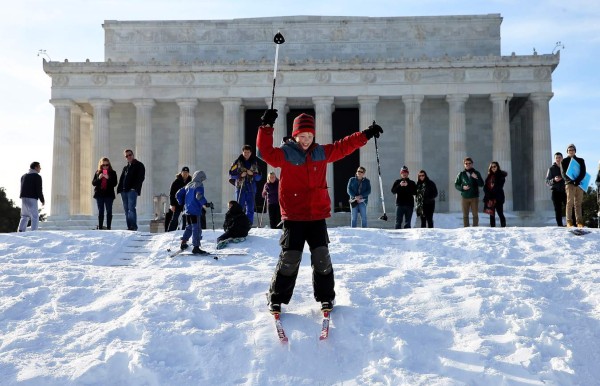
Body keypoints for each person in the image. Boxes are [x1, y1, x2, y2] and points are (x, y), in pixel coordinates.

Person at [257, 109, 383, 314]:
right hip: (294, 215)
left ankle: (326, 297)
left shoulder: (320, 152)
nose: (306, 140)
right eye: (302, 136)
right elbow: (264, 152)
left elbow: (344, 146)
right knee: (290, 258)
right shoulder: (285, 153)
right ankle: (276, 298)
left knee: (321, 257)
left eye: (310, 136)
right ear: (295, 135)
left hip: (316, 215)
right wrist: (266, 127)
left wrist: (365, 135)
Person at [176, 170, 213, 254]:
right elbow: (199, 196)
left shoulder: (188, 185)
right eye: (202, 178)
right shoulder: (199, 185)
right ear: (200, 178)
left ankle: (183, 242)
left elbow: (178, 194)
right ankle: (196, 247)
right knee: (197, 228)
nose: (203, 180)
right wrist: (206, 204)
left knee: (189, 227)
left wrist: (181, 202)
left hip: (187, 210)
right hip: (195, 211)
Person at [229, 144, 262, 225]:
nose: (246, 154)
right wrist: (240, 175)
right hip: (240, 188)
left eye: (248, 152)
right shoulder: (237, 162)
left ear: (250, 153)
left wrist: (253, 174)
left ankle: (248, 225)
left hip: (251, 188)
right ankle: (238, 224)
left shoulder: (255, 163)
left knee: (250, 208)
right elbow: (230, 175)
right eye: (245, 152)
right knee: (239, 207)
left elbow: (259, 177)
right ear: (242, 152)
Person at [117, 149, 145, 231]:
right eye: (127, 156)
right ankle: (129, 226)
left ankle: (133, 226)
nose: (128, 157)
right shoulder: (126, 168)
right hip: (124, 191)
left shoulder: (139, 165)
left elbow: (141, 178)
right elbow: (122, 179)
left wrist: (135, 188)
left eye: (130, 155)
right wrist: (119, 189)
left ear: (133, 155)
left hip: (132, 191)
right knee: (126, 209)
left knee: (131, 208)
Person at [561, 144, 586, 227]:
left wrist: (577, 180)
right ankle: (569, 222)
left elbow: (583, 172)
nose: (571, 151)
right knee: (569, 203)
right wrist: (571, 181)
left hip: (579, 184)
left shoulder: (580, 160)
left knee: (578, 203)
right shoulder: (563, 161)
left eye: (572, 150)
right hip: (569, 184)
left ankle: (579, 222)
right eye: (569, 150)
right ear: (567, 152)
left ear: (575, 151)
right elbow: (563, 174)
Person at [454, 157, 484, 227]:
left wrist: (476, 177)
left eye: (469, 163)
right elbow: (456, 184)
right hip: (465, 197)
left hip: (474, 197)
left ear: (472, 164)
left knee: (475, 214)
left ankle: (475, 228)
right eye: (466, 163)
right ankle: (466, 228)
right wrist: (462, 187)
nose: (467, 165)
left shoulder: (476, 173)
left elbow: (481, 184)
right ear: (464, 164)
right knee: (465, 215)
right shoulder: (461, 174)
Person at [17, 161, 45, 232]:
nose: (40, 168)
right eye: (39, 167)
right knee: (35, 216)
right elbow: (39, 189)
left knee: (24, 215)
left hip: (23, 197)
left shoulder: (23, 176)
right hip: (32, 198)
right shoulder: (37, 176)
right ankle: (34, 232)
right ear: (35, 167)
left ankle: (21, 230)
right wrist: (42, 199)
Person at [92, 157, 118, 230]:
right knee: (101, 210)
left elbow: (115, 183)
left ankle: (109, 227)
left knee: (109, 210)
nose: (105, 166)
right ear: (101, 165)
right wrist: (99, 178)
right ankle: (100, 227)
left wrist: (108, 178)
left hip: (109, 195)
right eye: (103, 165)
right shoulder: (97, 172)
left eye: (107, 165)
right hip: (99, 194)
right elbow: (93, 183)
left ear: (109, 165)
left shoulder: (113, 173)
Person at [165, 166, 192, 232]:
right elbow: (172, 194)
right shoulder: (176, 182)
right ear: (181, 173)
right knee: (175, 218)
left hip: (187, 203)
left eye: (186, 172)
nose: (185, 173)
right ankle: (171, 231)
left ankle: (184, 230)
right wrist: (172, 204)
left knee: (186, 218)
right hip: (177, 203)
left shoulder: (190, 182)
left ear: (188, 173)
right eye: (184, 172)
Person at [483, 161, 508, 227]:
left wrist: (491, 193)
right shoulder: (489, 176)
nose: (493, 168)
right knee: (491, 214)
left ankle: (503, 227)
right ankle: (492, 229)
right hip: (490, 198)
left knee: (500, 213)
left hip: (498, 197)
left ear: (497, 167)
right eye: (492, 167)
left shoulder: (501, 176)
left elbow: (499, 187)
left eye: (494, 166)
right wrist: (487, 193)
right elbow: (485, 186)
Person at [545, 152, 567, 226]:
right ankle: (560, 225)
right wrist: (554, 180)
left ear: (562, 158)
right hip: (555, 191)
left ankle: (572, 224)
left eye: (560, 157)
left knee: (569, 207)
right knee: (558, 209)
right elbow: (547, 182)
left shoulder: (566, 167)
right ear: (554, 159)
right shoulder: (551, 169)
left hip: (565, 191)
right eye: (556, 158)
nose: (558, 159)